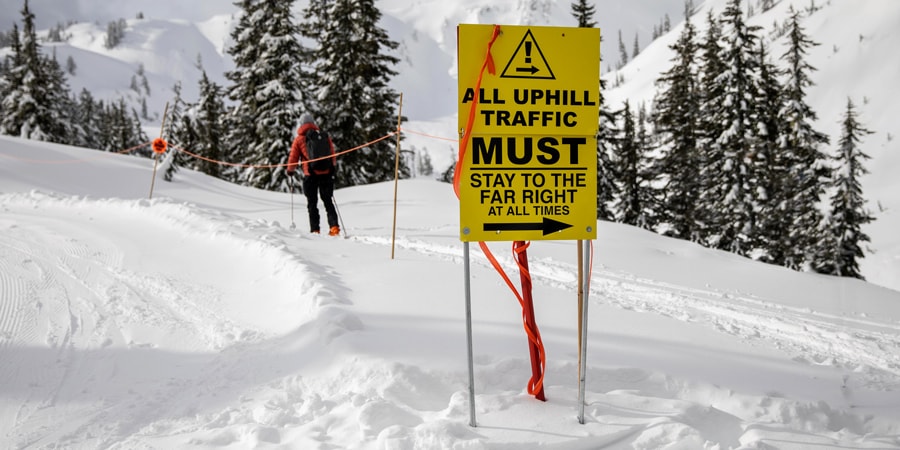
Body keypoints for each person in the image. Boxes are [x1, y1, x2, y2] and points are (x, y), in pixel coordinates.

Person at [287, 113, 340, 236]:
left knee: (312, 203)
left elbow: (293, 157)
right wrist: (332, 167)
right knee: (328, 201)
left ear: (301, 124)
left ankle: (315, 230)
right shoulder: (323, 136)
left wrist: (290, 170)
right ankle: (334, 227)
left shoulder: (299, 139)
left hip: (310, 175)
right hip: (326, 173)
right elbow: (332, 153)